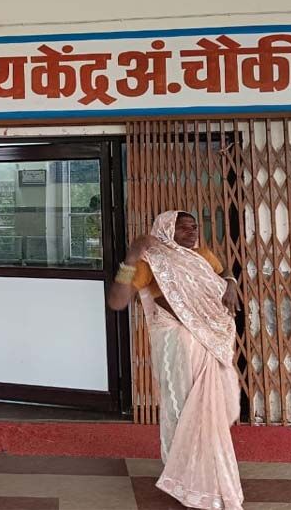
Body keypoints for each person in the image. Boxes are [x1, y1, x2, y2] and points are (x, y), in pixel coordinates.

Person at [106, 210, 243, 510]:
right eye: (183, 228)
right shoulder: (151, 262)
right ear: (166, 230)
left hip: (210, 346)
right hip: (178, 349)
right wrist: (131, 257)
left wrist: (231, 282)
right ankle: (186, 480)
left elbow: (223, 271)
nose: (192, 233)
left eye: (194, 227)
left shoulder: (201, 255)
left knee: (210, 412)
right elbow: (117, 300)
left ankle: (207, 479)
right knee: (183, 411)